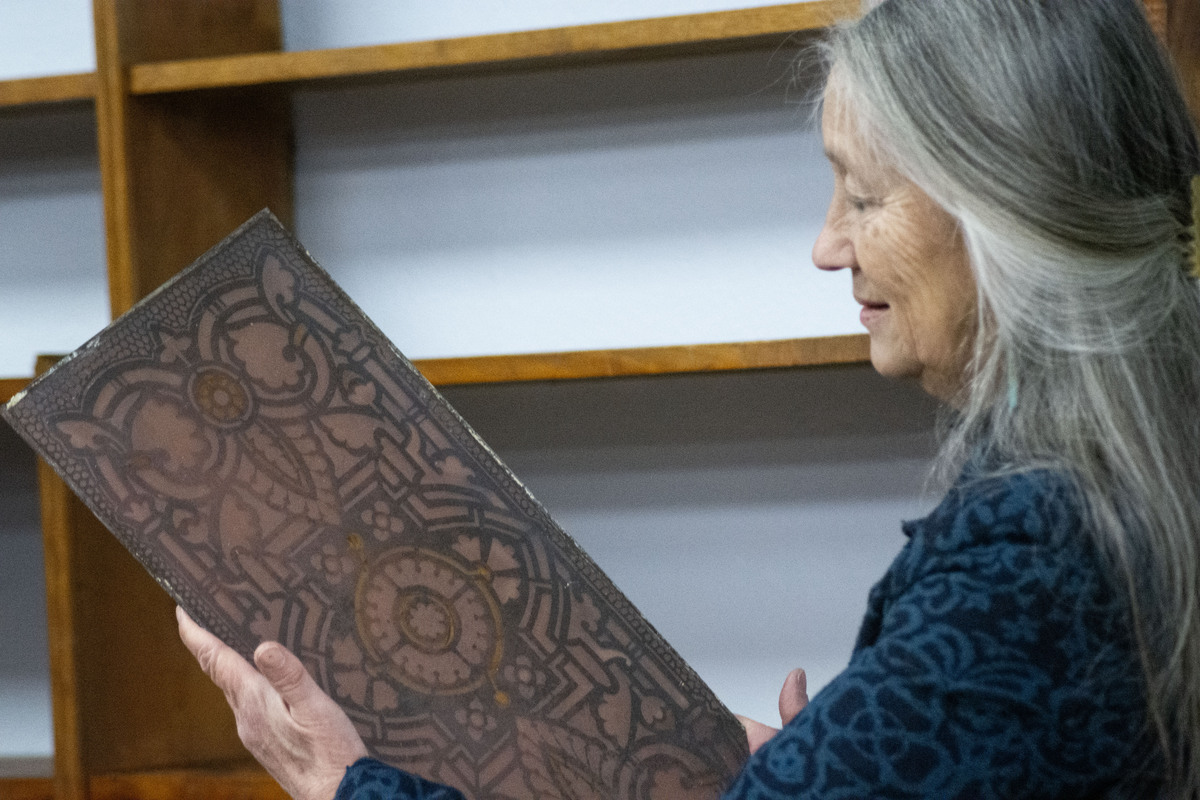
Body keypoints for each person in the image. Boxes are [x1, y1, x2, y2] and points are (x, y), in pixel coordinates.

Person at [177, 0, 1200, 796]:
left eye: (866, 194)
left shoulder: (1036, 554)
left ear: (1008, 206)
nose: (827, 244)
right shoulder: (1128, 480)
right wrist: (851, 761)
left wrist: (351, 782)